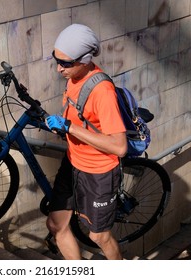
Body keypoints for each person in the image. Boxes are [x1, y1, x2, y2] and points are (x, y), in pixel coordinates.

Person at [45, 24, 127, 260]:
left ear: (86, 59)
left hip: (97, 173)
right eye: (56, 60)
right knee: (56, 226)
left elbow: (119, 146)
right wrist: (63, 126)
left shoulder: (102, 92)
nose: (60, 68)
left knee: (98, 237)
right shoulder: (73, 77)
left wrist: (70, 128)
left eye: (67, 63)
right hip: (72, 162)